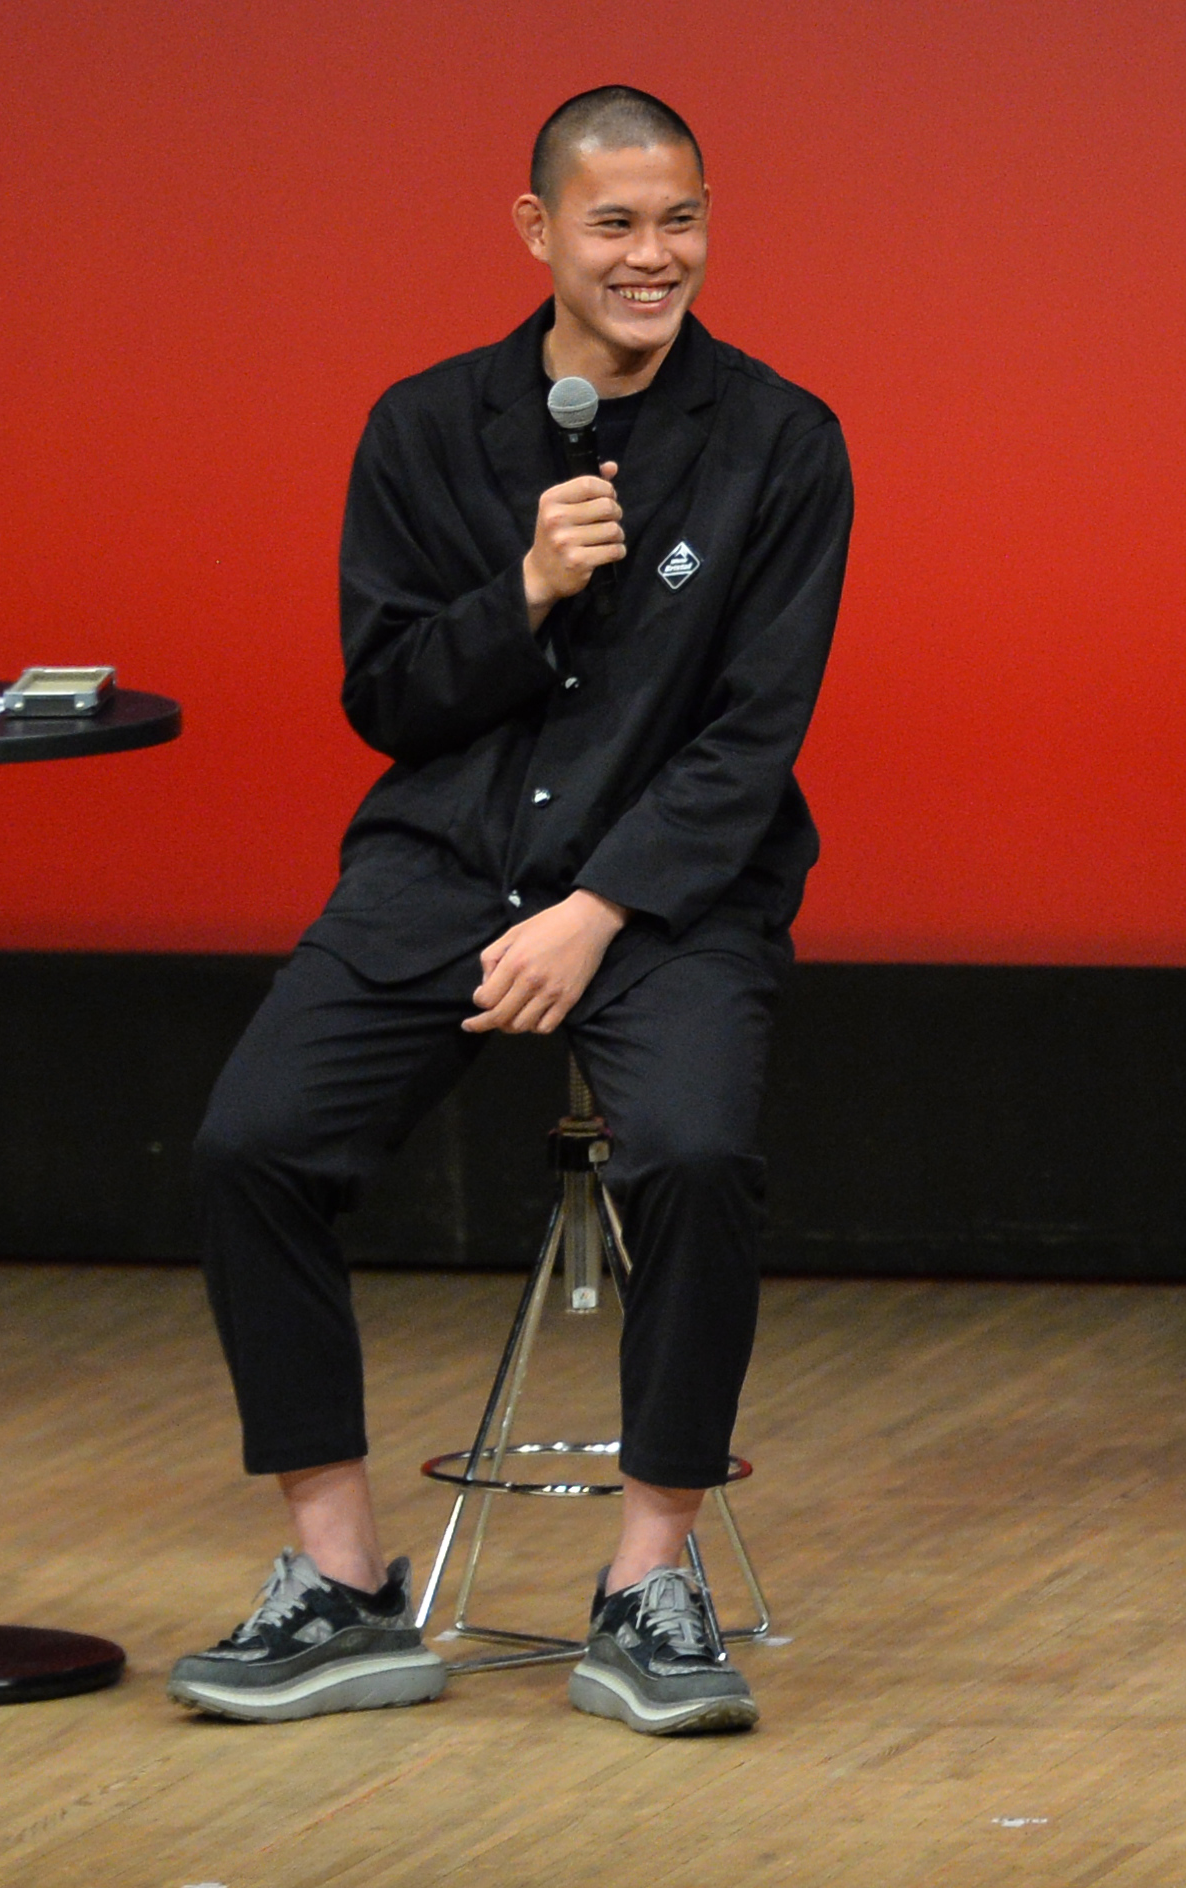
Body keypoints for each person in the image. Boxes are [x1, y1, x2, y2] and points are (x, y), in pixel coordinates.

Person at [169, 86, 851, 1735]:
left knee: (688, 1154)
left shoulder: (780, 440)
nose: (652, 255)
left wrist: (601, 908)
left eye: (679, 219)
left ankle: (650, 1582)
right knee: (251, 1144)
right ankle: (337, 1583)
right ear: (540, 232)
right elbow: (388, 692)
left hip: (667, 888)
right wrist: (526, 591)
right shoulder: (424, 428)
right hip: (445, 861)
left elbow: (752, 738)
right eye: (615, 224)